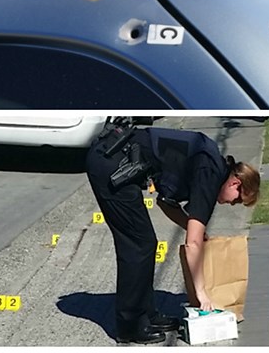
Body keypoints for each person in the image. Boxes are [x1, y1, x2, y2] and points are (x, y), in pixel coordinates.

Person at [85, 119, 259, 344]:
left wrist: (190, 226)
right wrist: (202, 295)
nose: (231, 204)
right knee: (137, 244)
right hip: (109, 163)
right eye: (237, 200)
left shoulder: (211, 164)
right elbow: (192, 245)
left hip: (116, 158)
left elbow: (166, 203)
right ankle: (129, 325)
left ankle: (146, 314)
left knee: (146, 243)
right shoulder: (210, 175)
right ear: (236, 183)